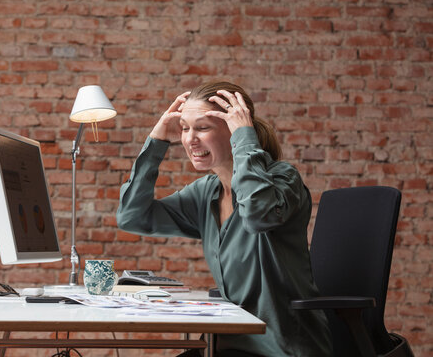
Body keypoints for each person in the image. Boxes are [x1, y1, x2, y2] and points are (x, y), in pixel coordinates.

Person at [116, 81, 333, 356]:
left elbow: (257, 216)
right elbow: (132, 217)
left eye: (202, 127)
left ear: (234, 129)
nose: (189, 139)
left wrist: (245, 135)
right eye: (184, 128)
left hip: (280, 348)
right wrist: (156, 143)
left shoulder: (283, 180)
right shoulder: (206, 192)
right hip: (227, 344)